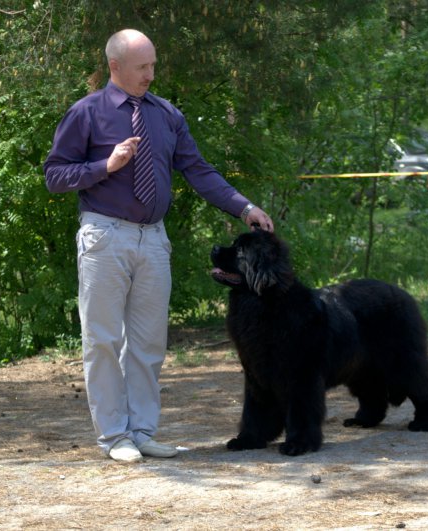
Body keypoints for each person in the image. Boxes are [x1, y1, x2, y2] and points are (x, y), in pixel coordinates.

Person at [44, 29, 274, 463]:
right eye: (142, 67)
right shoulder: (87, 112)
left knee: (149, 343)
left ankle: (142, 432)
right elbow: (55, 176)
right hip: (104, 235)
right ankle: (115, 436)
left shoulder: (166, 114)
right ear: (115, 66)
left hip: (153, 238)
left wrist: (244, 208)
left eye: (153, 65)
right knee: (103, 341)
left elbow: (198, 170)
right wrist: (105, 165)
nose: (150, 74)